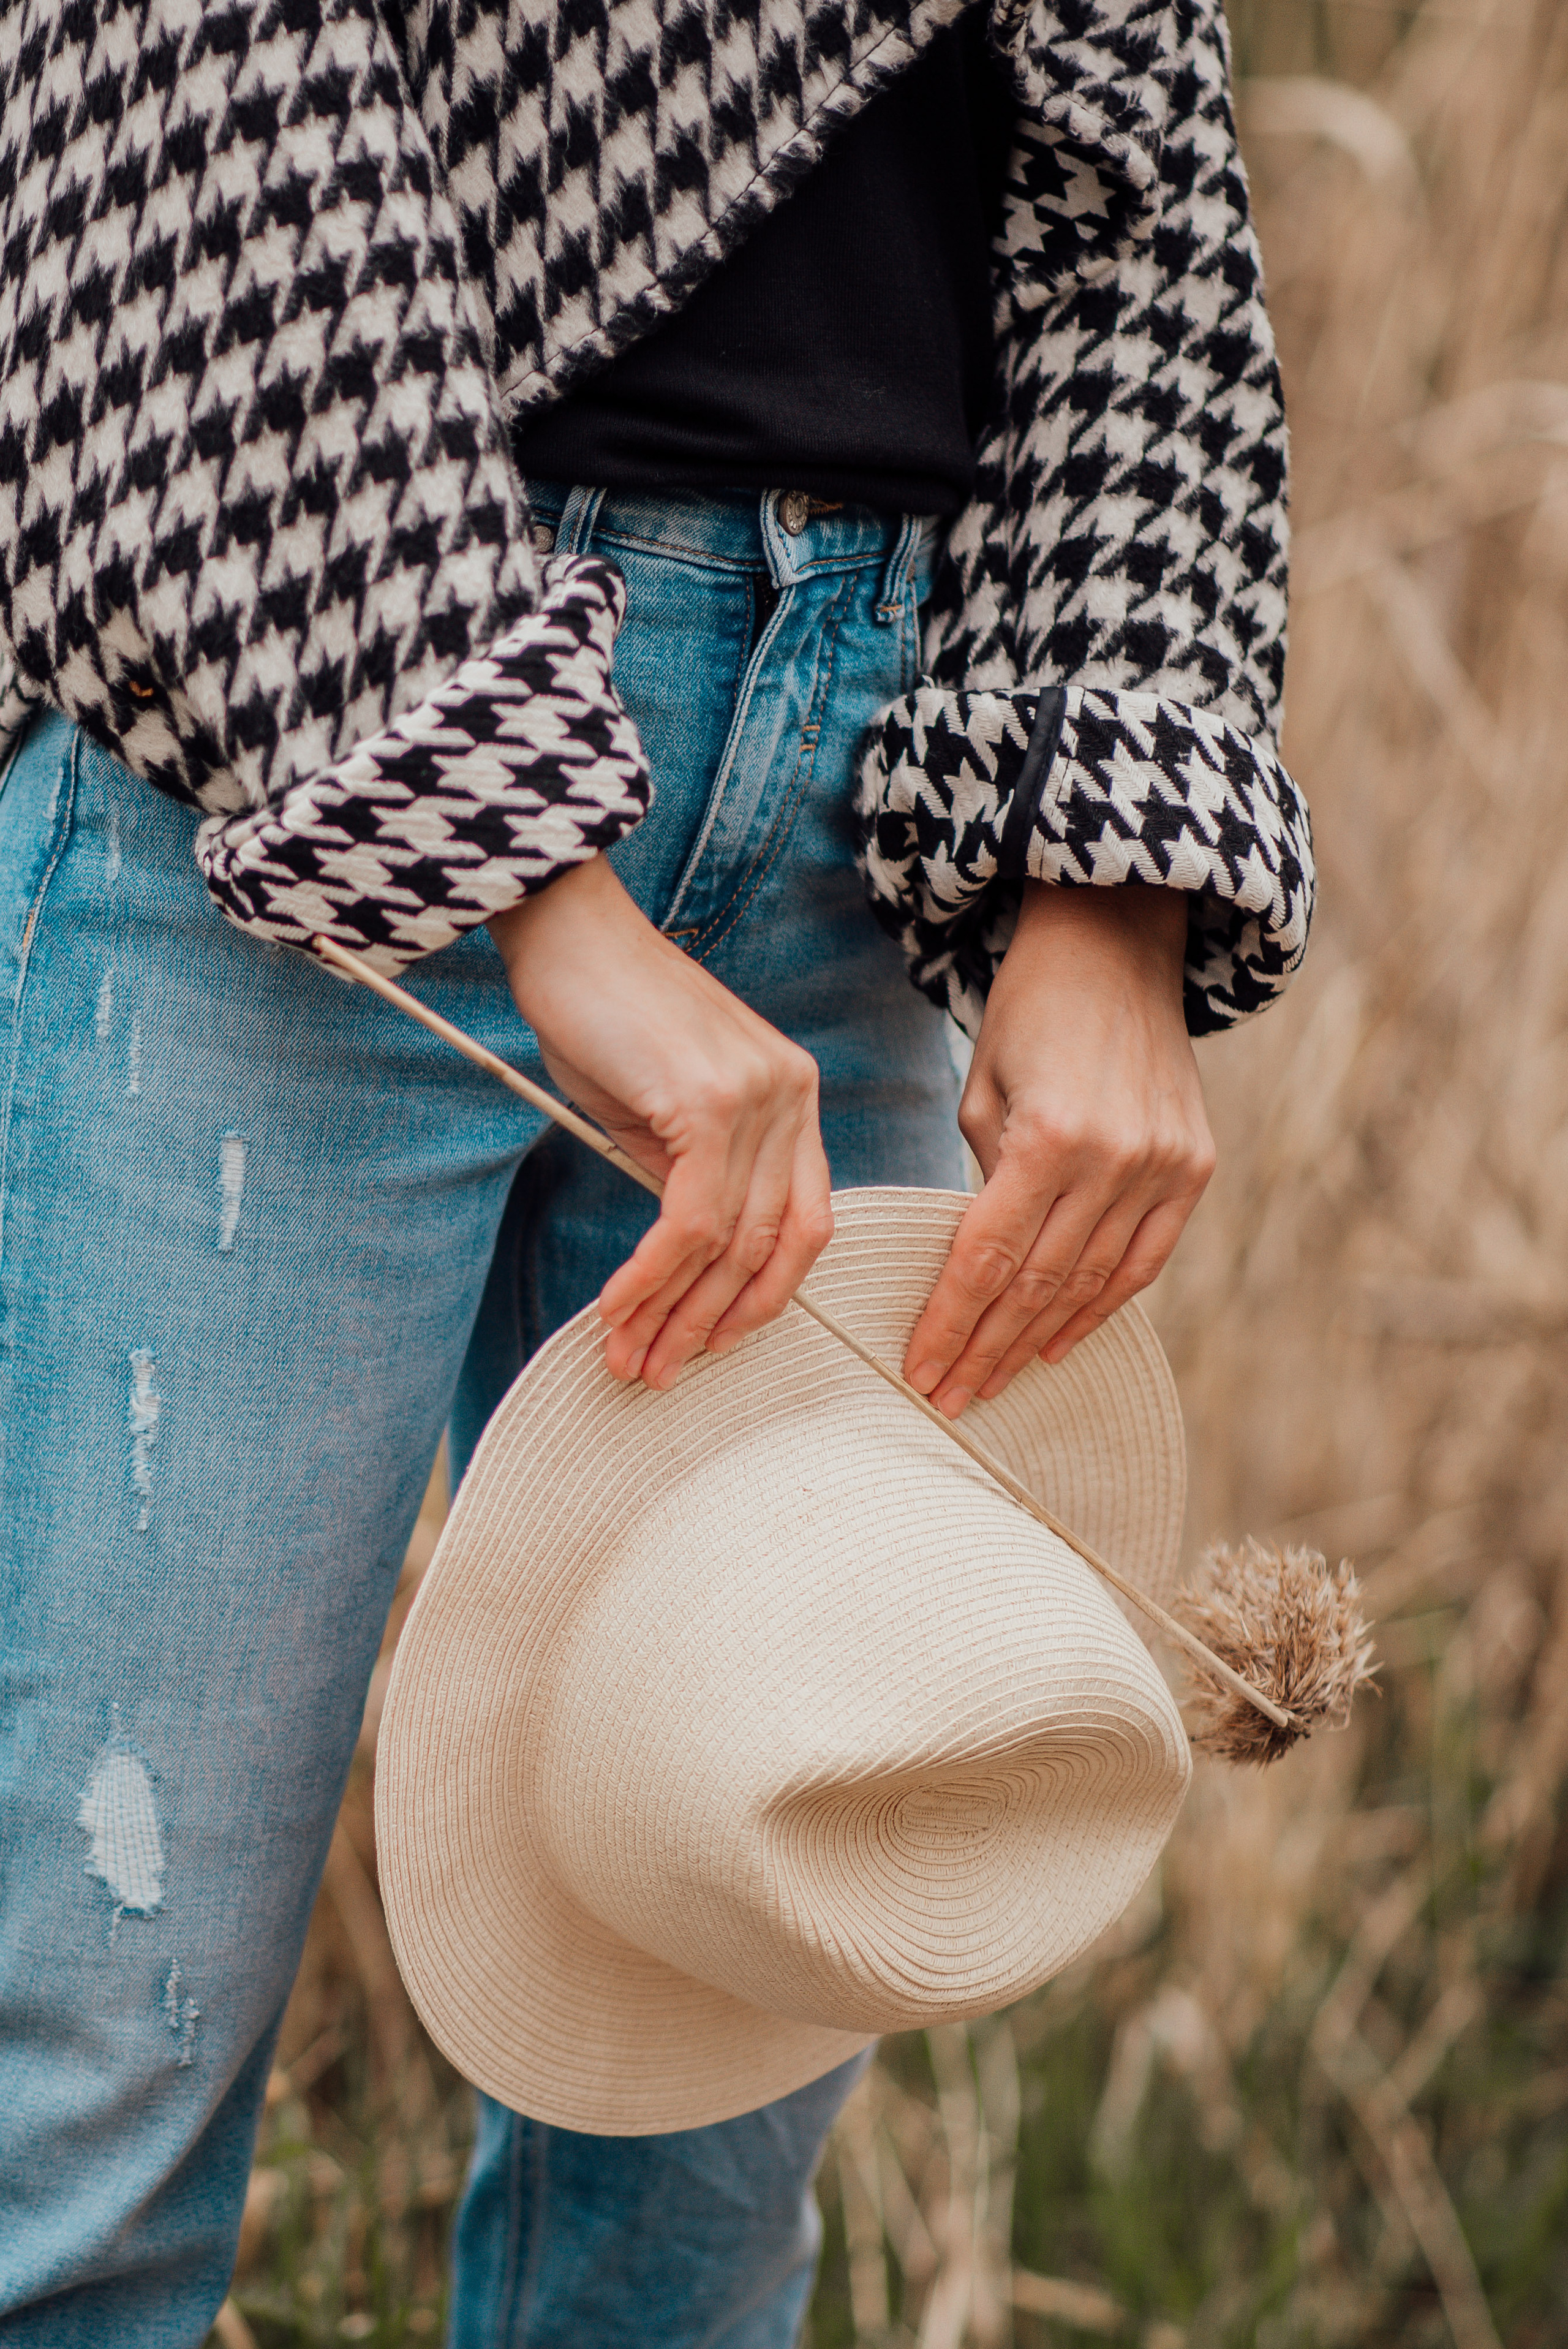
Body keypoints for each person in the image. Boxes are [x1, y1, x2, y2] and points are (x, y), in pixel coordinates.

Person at [0, 0, 1313, 2339]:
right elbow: (169, 72)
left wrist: (1107, 876)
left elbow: (1138, 176)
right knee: (86, 2114)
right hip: (300, 722)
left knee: (712, 2120)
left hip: (862, 765)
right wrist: (521, 867)